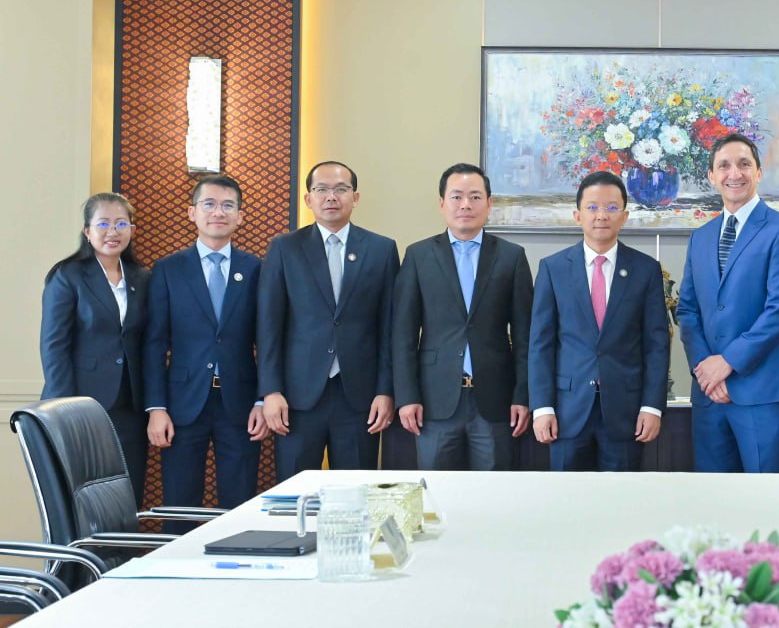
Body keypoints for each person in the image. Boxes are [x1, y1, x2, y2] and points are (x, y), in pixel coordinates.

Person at [257, 161, 399, 476]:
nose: (331, 197)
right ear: (308, 199)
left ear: (355, 197)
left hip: (360, 397)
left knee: (355, 492)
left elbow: (390, 328)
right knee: (295, 491)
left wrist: (385, 390)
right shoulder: (284, 248)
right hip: (297, 396)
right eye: (321, 189)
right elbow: (269, 326)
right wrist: (271, 390)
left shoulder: (381, 249)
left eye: (340, 189)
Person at [676, 133, 779, 473]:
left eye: (744, 164)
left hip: (761, 393)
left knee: (765, 495)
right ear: (712, 176)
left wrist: (728, 363)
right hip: (708, 393)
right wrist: (706, 368)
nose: (734, 173)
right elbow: (687, 310)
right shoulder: (700, 237)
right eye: (724, 166)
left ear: (759, 172)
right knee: (714, 497)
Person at [393, 163, 532, 470]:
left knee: (494, 489)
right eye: (456, 197)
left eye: (475, 197)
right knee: (438, 490)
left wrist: (522, 395)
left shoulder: (512, 257)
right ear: (442, 203)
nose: (465, 205)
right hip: (434, 400)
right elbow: (403, 334)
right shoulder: (418, 255)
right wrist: (406, 396)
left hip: (495, 401)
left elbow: (525, 337)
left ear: (489, 203)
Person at [528, 171, 670, 471]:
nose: (601, 215)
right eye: (592, 207)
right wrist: (542, 407)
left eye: (611, 207)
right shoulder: (553, 269)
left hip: (626, 412)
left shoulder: (646, 270)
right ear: (577, 215)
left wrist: (652, 406)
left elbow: (656, 345)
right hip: (566, 411)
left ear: (625, 216)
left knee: (621, 497)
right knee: (567, 496)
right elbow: (541, 345)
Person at [143, 175, 266, 513]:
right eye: (209, 204)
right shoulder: (168, 269)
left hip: (241, 404)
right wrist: (156, 407)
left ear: (240, 216)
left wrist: (262, 399)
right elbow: (154, 343)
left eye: (228, 205)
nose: (218, 212)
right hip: (182, 404)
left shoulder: (256, 269)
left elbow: (268, 340)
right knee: (179, 504)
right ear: (192, 212)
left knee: (239, 505)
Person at [40, 192, 150, 506]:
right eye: (103, 223)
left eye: (121, 224)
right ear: (87, 231)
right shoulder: (68, 276)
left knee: (127, 497)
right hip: (81, 403)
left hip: (130, 407)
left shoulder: (142, 278)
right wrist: (64, 407)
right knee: (83, 500)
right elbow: (54, 346)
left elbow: (146, 342)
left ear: (131, 229)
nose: (112, 231)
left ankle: (122, 543)